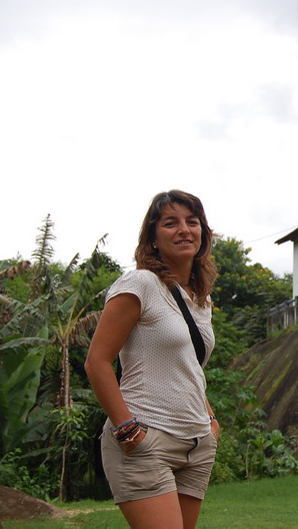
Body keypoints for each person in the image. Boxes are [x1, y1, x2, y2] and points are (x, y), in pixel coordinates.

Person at [85, 190, 219, 529]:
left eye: (193, 222)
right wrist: (127, 429)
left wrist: (210, 420)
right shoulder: (140, 283)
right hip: (146, 439)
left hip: (197, 444)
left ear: (203, 234)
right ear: (153, 238)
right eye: (171, 223)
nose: (184, 230)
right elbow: (97, 362)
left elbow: (188, 367)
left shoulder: (200, 300)